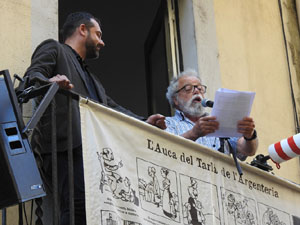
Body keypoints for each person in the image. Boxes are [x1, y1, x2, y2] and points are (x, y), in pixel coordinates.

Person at [22, 12, 165, 225]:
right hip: (64, 147)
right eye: (98, 34)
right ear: (82, 29)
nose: (102, 42)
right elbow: (32, 77)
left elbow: (113, 108)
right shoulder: (55, 49)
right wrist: (50, 81)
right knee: (77, 207)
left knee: (90, 210)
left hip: (91, 154)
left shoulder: (94, 81)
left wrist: (144, 121)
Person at [165, 69, 258, 159]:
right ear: (175, 100)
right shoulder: (168, 123)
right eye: (188, 89)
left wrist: (249, 135)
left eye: (200, 88)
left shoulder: (218, 122)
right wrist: (193, 133)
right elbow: (165, 149)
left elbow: (248, 151)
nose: (197, 91)